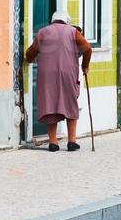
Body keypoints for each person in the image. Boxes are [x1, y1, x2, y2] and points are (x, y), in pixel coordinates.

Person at [24, 9, 93, 151]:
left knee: (50, 104)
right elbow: (87, 48)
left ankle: (53, 142)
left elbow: (30, 54)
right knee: (70, 102)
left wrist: (29, 58)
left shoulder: (43, 32)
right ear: (67, 21)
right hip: (68, 73)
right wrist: (85, 66)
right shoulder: (73, 31)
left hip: (47, 74)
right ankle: (72, 140)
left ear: (53, 21)